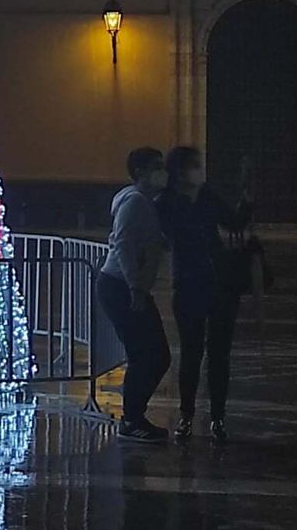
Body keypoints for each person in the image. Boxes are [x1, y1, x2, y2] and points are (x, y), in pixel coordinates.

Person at [158, 146, 253, 442]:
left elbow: (233, 223)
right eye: (195, 166)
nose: (201, 171)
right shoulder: (167, 203)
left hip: (221, 284)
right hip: (188, 284)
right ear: (181, 172)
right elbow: (163, 238)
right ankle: (186, 414)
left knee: (219, 354)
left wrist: (247, 202)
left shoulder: (208, 196)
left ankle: (218, 417)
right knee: (191, 352)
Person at [98, 146, 172, 442]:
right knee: (148, 354)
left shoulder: (144, 202)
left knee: (153, 354)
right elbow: (125, 246)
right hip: (121, 286)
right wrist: (136, 288)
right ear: (140, 172)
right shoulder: (135, 203)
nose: (162, 172)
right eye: (156, 166)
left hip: (126, 285)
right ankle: (132, 419)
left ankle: (134, 416)